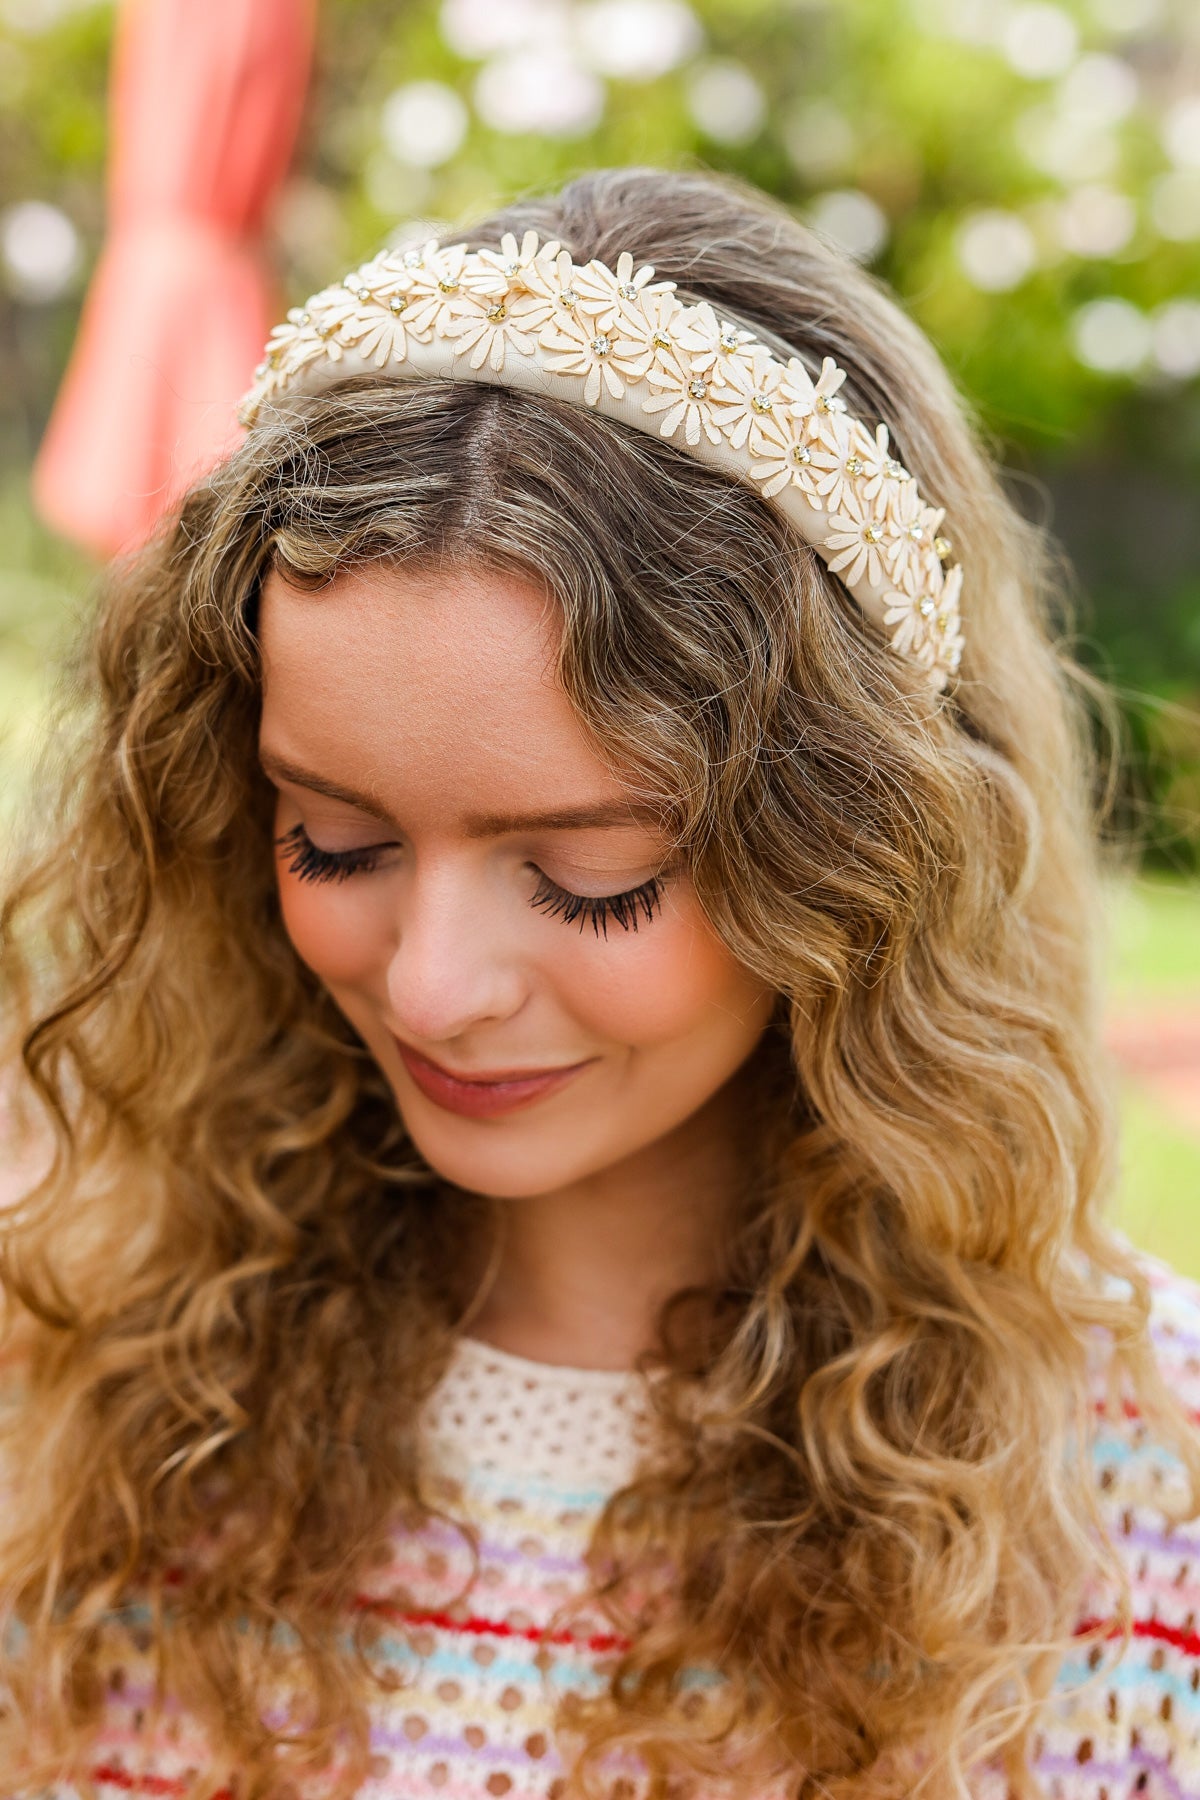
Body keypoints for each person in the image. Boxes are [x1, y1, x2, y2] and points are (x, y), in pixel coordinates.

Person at [0, 164, 1197, 1800]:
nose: (432, 988)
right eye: (335, 842)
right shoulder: (73, 1418)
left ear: (850, 844)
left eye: (589, 878)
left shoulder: (1150, 1507)